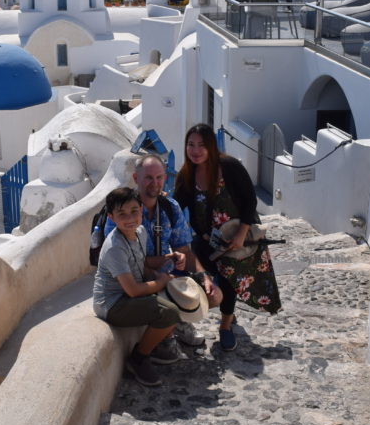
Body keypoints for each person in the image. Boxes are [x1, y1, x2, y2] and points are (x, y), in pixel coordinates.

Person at [173, 124, 281, 352]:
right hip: (205, 239)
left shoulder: (229, 167)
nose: (196, 150)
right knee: (205, 277)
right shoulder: (186, 175)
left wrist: (242, 233)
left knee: (229, 276)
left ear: (211, 146)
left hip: (235, 237)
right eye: (191, 145)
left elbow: (250, 200)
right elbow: (175, 207)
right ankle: (215, 313)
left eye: (202, 145)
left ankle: (225, 325)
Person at [104, 154, 223, 352]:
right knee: (166, 296)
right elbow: (125, 258)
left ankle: (177, 323)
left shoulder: (170, 207)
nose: (155, 183)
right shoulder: (123, 210)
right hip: (135, 278)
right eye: (149, 177)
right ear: (136, 178)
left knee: (214, 296)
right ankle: (167, 328)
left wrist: (204, 277)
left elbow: (184, 249)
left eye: (159, 177)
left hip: (165, 274)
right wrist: (160, 277)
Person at [92, 186, 179, 386]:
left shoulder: (140, 232)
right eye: (121, 214)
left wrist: (169, 259)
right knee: (169, 312)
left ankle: (159, 344)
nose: (129, 218)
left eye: (134, 211)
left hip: (129, 295)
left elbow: (143, 263)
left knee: (176, 296)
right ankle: (138, 358)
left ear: (141, 210)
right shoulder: (115, 247)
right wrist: (160, 282)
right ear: (112, 218)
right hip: (113, 304)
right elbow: (132, 290)